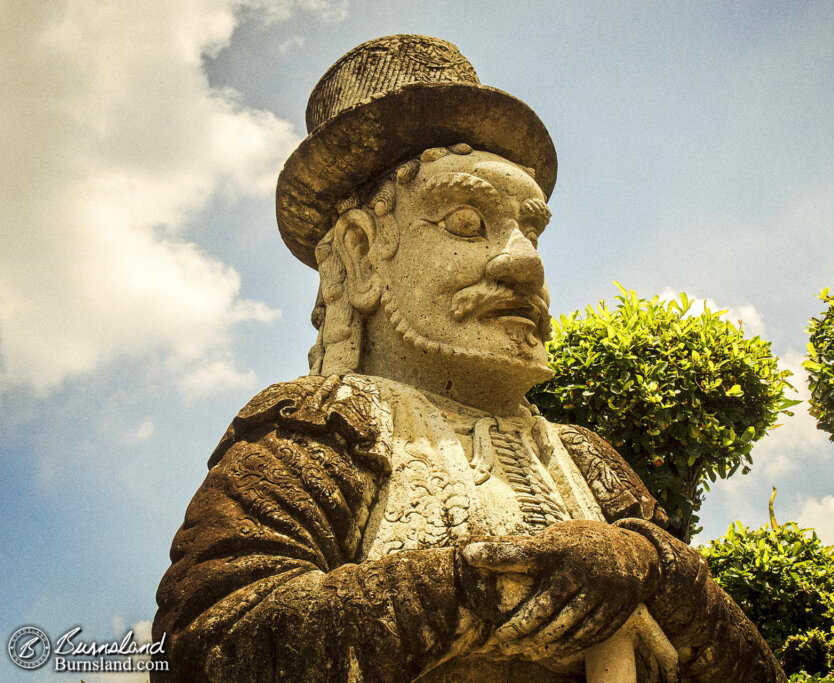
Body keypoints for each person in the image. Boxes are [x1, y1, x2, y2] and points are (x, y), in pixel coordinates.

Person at [154, 34, 785, 682]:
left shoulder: (588, 461)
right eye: (464, 220)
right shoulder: (319, 425)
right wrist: (486, 582)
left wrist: (651, 562)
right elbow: (208, 646)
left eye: (531, 229)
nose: (525, 262)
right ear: (362, 254)